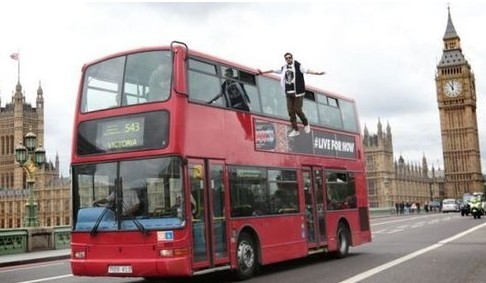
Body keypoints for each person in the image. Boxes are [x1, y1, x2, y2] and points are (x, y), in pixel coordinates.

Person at [258, 52, 325, 137]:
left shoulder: (298, 66)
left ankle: (306, 123)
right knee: (290, 111)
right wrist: (262, 72)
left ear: (292, 58)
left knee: (297, 109)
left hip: (298, 93)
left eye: (289, 57)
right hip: (288, 93)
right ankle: (295, 129)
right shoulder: (284, 68)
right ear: (285, 59)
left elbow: (307, 71)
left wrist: (317, 73)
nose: (288, 59)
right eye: (286, 58)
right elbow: (273, 70)